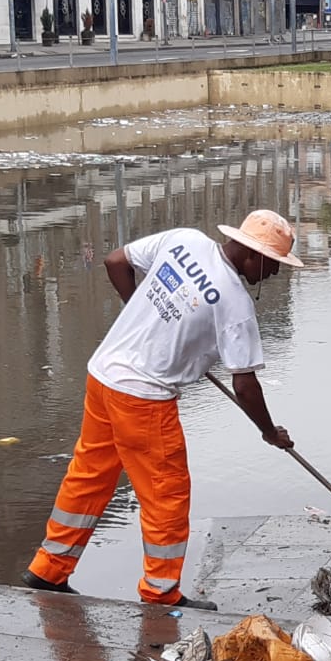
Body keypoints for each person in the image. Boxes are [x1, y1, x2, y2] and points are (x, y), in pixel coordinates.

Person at [22, 211, 304, 609]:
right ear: (252, 255)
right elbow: (245, 383)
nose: (275, 273)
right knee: (166, 496)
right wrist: (268, 431)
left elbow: (115, 261)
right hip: (143, 399)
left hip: (103, 377)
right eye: (274, 263)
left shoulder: (184, 240)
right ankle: (160, 592)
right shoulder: (235, 304)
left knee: (88, 477)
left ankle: (47, 571)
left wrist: (144, 314)